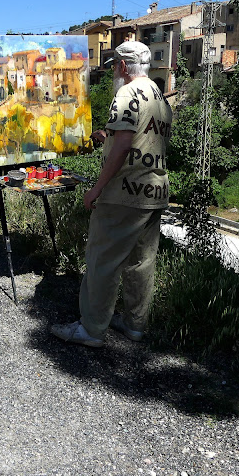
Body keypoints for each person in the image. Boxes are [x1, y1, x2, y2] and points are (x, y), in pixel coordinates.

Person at [50, 41, 173, 347]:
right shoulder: (158, 95)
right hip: (153, 190)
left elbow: (124, 146)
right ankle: (134, 326)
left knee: (102, 260)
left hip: (123, 192)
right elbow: (140, 137)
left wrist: (97, 187)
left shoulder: (127, 92)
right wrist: (109, 135)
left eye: (113, 67)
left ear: (121, 67)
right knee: (140, 263)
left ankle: (91, 330)